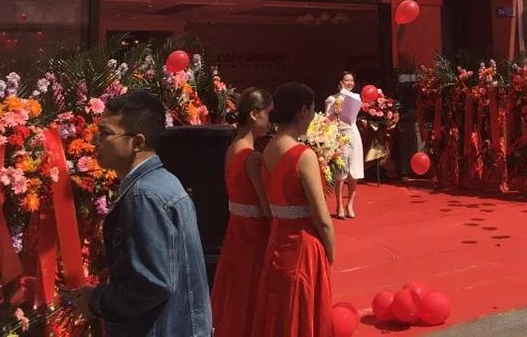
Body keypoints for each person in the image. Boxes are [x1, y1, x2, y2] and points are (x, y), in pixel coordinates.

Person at [73, 91, 212, 336]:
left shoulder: (145, 195)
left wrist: (97, 301)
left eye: (105, 134)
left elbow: (152, 283)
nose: (96, 142)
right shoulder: (163, 183)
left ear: (137, 143)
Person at [250, 82, 335, 337]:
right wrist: (330, 249)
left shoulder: (266, 150)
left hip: (277, 242)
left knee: (279, 312)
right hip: (303, 246)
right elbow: (321, 216)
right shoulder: (303, 155)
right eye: (312, 110)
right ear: (303, 111)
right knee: (301, 313)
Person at [210, 87, 274, 337]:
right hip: (254, 235)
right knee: (253, 293)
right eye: (269, 114)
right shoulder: (252, 157)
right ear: (255, 114)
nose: (271, 121)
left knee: (236, 293)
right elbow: (267, 207)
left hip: (236, 231)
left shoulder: (231, 149)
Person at [325, 71, 364, 219]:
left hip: (353, 135)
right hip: (339, 136)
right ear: (340, 82)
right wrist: (334, 113)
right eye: (347, 80)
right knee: (341, 173)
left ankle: (350, 204)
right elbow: (327, 120)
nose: (350, 83)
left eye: (352, 80)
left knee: (354, 172)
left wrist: (343, 91)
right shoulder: (331, 99)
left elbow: (353, 106)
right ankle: (339, 204)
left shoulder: (355, 97)